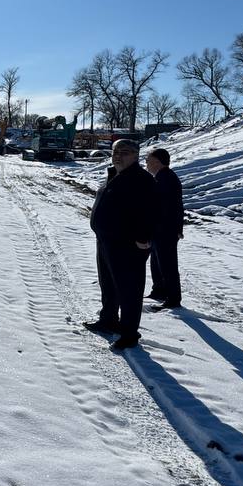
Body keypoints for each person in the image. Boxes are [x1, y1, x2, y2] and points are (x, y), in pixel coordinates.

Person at [82, 138, 157, 350]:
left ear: (136, 155)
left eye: (124, 152)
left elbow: (150, 212)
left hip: (128, 245)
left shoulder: (142, 180)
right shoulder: (114, 175)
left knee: (129, 290)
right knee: (108, 284)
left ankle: (129, 333)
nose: (118, 155)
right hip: (107, 241)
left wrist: (143, 239)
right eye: (115, 151)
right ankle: (108, 319)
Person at [144, 147, 184, 310]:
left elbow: (171, 207)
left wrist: (176, 228)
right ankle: (159, 290)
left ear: (156, 162)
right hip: (159, 229)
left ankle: (173, 298)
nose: (146, 164)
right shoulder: (161, 177)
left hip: (165, 229)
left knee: (168, 264)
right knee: (156, 261)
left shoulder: (166, 178)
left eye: (148, 161)